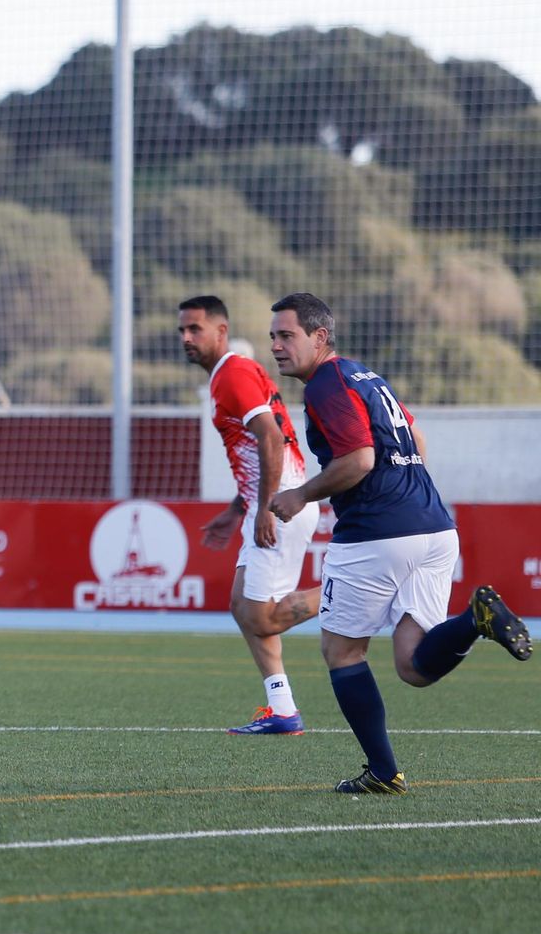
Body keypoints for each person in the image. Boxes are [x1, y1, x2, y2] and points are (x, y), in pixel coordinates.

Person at [266, 292, 532, 794]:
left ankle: (384, 773)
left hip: (377, 534)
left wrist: (300, 494)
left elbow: (361, 460)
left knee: (341, 651)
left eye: (287, 335)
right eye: (273, 337)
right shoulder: (364, 375)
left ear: (319, 337)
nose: (277, 346)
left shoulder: (327, 385)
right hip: (434, 527)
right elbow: (417, 439)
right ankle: (475, 619)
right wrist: (407, 495)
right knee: (413, 665)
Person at [179, 295, 321, 735]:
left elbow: (272, 438)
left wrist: (263, 509)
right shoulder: (232, 374)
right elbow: (259, 449)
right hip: (271, 501)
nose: (185, 338)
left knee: (261, 615)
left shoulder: (233, 374)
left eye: (195, 329)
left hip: (281, 504)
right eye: (182, 330)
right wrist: (236, 509)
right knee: (243, 606)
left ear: (221, 332)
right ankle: (281, 709)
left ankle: (356, 587)